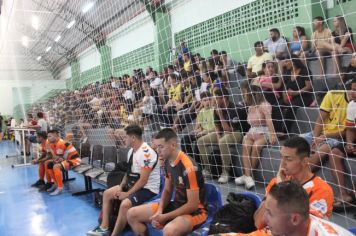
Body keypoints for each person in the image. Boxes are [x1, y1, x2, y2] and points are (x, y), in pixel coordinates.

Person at [127, 128, 207, 236]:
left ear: (173, 145)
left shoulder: (189, 167)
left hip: (196, 212)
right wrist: (160, 210)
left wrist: (165, 217)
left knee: (169, 230)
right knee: (132, 214)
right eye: (156, 147)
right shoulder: (166, 162)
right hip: (177, 205)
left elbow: (193, 205)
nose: (157, 150)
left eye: (161, 147)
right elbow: (168, 190)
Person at [87, 125, 160, 236]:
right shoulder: (131, 151)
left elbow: (143, 181)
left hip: (148, 188)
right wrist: (121, 187)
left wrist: (126, 194)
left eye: (125, 137)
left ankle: (114, 234)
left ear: (133, 138)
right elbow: (128, 172)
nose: (123, 139)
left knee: (125, 204)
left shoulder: (146, 154)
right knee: (107, 194)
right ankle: (104, 227)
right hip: (134, 184)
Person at [253, 137, 334, 230]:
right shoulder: (277, 182)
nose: (282, 164)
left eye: (288, 159)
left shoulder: (322, 190)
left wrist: (280, 192)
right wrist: (278, 188)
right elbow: (258, 223)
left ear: (305, 161)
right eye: (281, 157)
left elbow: (303, 230)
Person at [301, 78, 356, 170]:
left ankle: (301, 178)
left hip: (337, 137)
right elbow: (319, 120)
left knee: (322, 150)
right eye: (353, 90)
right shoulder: (332, 95)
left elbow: (347, 132)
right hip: (321, 133)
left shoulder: (353, 106)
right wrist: (315, 139)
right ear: (348, 88)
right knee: (294, 144)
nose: (354, 93)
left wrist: (325, 137)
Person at [197, 87, 243, 183]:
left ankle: (225, 172)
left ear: (224, 98)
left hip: (236, 132)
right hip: (222, 132)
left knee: (222, 142)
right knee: (200, 141)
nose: (214, 100)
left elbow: (229, 129)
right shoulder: (217, 109)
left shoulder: (234, 108)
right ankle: (208, 169)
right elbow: (218, 126)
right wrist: (218, 136)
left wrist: (221, 116)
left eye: (217, 98)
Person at [235, 85, 277, 189]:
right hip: (252, 131)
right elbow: (251, 124)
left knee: (256, 147)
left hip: (264, 131)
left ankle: (248, 175)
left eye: (245, 94)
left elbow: (269, 121)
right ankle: (247, 176)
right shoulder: (250, 107)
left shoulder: (264, 105)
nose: (243, 96)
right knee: (245, 146)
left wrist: (273, 135)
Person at [329, 98, 356, 208]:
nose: (351, 93)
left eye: (355, 90)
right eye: (351, 89)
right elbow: (350, 129)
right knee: (334, 152)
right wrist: (350, 143)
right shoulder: (352, 105)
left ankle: (354, 194)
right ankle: (343, 194)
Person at [281, 54, 314, 132]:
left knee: (291, 107)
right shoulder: (288, 72)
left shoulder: (304, 71)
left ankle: (285, 131)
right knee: (276, 106)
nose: (285, 64)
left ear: (293, 62)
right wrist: (284, 96)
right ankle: (276, 130)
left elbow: (309, 87)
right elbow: (284, 87)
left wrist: (296, 93)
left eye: (287, 61)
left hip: (304, 96)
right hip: (292, 96)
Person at [180, 92, 215, 163]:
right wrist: (195, 131)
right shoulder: (201, 112)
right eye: (204, 100)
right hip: (202, 132)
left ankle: (198, 164)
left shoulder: (214, 111)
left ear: (211, 100)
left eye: (208, 100)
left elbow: (215, 128)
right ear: (201, 102)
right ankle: (189, 161)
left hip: (210, 133)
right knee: (184, 139)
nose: (207, 102)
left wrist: (202, 132)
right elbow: (197, 128)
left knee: (197, 144)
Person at [44, 129, 81, 196]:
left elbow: (57, 158)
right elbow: (56, 158)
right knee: (47, 163)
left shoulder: (60, 143)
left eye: (49, 136)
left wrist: (49, 149)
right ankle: (56, 184)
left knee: (56, 166)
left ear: (56, 136)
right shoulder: (53, 143)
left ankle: (60, 188)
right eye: (47, 136)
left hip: (74, 160)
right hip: (65, 160)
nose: (48, 138)